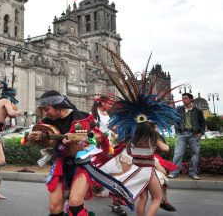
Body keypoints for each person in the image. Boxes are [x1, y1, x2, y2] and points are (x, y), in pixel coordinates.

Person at [98, 47, 180, 216]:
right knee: (156, 198)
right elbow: (165, 149)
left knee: (142, 198)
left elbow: (126, 147)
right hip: (148, 170)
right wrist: (158, 145)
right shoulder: (152, 135)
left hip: (136, 168)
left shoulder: (132, 136)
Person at [26, 90, 131, 216]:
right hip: (60, 165)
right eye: (42, 109)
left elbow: (99, 137)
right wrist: (32, 138)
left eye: (47, 109)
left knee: (75, 202)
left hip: (81, 164)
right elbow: (39, 142)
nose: (44, 113)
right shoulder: (47, 123)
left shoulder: (82, 117)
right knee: (54, 208)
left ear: (58, 107)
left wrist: (78, 137)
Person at [168, 93, 205, 180]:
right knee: (178, 153)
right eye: (182, 98)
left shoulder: (198, 110)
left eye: (185, 98)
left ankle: (193, 173)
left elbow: (202, 122)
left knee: (195, 154)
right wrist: (177, 132)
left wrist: (201, 133)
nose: (183, 100)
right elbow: (175, 120)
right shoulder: (179, 109)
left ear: (191, 99)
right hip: (182, 134)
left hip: (194, 134)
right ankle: (174, 172)